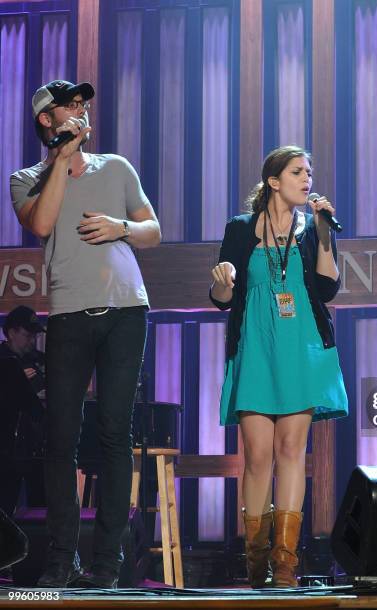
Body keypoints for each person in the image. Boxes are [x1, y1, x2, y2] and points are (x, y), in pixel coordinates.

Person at [9, 80, 161, 588]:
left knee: (115, 434)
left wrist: (122, 226)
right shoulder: (25, 177)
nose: (80, 110)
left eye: (83, 104)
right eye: (68, 105)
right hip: (70, 315)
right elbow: (44, 222)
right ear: (46, 122)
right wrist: (61, 161)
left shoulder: (116, 166)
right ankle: (61, 558)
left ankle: (108, 565)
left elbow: (153, 231)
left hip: (125, 310)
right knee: (60, 440)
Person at [210, 145, 348, 588]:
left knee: (293, 453)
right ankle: (255, 562)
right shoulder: (239, 228)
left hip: (301, 344)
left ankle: (285, 564)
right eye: (297, 172)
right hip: (255, 346)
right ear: (274, 181)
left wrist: (326, 234)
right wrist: (223, 285)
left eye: (309, 171)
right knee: (258, 457)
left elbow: (326, 289)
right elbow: (221, 299)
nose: (307, 179)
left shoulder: (313, 228)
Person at [0, 306, 46, 517]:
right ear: (11, 333)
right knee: (6, 504)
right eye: (27, 335)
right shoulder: (4, 361)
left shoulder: (41, 360)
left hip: (38, 445)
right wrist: (16, 382)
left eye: (34, 336)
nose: (32, 341)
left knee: (41, 507)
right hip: (7, 449)